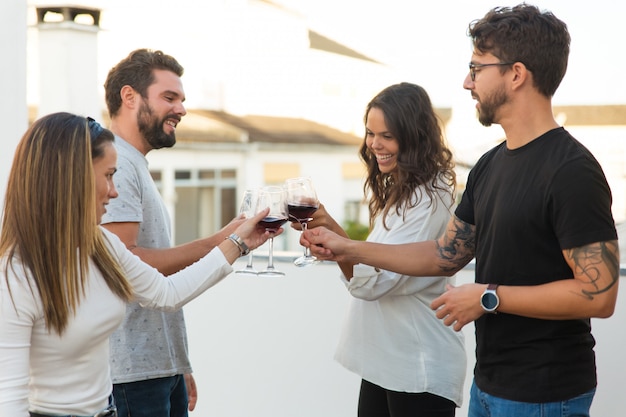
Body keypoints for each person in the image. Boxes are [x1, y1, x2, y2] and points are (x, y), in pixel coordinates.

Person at [303, 5, 619, 417]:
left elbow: (599, 294)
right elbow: (442, 255)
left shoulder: (572, 170)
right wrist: (347, 248)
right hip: (487, 385)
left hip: (545, 393)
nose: (467, 81)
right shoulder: (490, 165)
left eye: (477, 68)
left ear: (516, 74)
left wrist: (489, 298)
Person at [0, 112, 275, 417]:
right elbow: (8, 400)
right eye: (107, 175)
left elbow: (167, 294)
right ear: (71, 179)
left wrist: (238, 243)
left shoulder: (100, 244)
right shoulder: (15, 277)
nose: (114, 191)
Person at [303, 82, 466, 416]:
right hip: (387, 361)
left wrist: (339, 245)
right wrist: (329, 227)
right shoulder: (405, 189)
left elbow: (374, 283)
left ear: (414, 137)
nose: (375, 144)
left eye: (387, 136)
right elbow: (370, 267)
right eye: (370, 133)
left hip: (416, 363)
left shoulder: (429, 197)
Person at [100, 49, 238, 416]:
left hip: (156, 368)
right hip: (132, 374)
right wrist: (220, 243)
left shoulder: (132, 164)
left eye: (181, 99)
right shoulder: (118, 167)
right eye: (169, 97)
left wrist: (179, 362)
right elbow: (127, 265)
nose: (181, 109)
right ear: (130, 97)